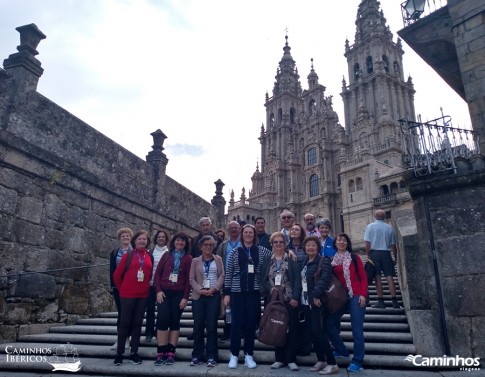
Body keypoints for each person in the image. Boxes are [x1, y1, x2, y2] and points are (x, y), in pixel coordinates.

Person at [223, 224, 271, 369]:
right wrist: (226, 293)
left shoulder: (262, 251)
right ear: (242, 235)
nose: (248, 234)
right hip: (237, 292)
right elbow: (229, 273)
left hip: (254, 293)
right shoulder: (235, 252)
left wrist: (289, 253)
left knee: (250, 324)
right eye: (246, 232)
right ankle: (234, 355)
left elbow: (276, 254)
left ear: (254, 235)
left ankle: (249, 354)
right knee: (236, 324)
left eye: (251, 232)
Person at [325, 233, 367, 373]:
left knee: (357, 330)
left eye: (344, 240)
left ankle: (357, 360)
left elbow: (363, 277)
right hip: (341, 298)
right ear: (335, 244)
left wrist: (363, 295)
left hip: (356, 296)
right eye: (339, 240)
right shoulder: (332, 260)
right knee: (328, 323)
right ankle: (341, 349)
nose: (341, 242)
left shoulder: (355, 258)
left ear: (347, 243)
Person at [260, 232, 301, 371]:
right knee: (275, 328)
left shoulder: (291, 259)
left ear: (285, 244)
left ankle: (290, 359)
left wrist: (295, 297)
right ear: (271, 244)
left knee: (291, 329)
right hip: (273, 301)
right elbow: (263, 279)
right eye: (275, 242)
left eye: (281, 242)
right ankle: (279, 359)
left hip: (289, 300)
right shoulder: (267, 259)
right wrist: (270, 289)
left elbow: (297, 280)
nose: (278, 244)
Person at [113, 230, 153, 366]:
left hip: (143, 295)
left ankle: (134, 352)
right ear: (134, 241)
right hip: (127, 295)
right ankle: (120, 353)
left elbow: (149, 275)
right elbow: (116, 275)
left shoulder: (149, 256)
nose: (142, 241)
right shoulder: (128, 256)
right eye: (140, 239)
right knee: (125, 323)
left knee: (137, 323)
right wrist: (122, 289)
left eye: (144, 239)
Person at [301, 236, 339, 375]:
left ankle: (332, 363)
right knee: (312, 332)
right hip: (306, 301)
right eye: (308, 245)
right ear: (305, 248)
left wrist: (315, 295)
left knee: (319, 332)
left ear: (318, 248)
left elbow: (324, 279)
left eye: (313, 245)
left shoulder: (324, 261)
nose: (310, 247)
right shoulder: (306, 262)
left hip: (317, 301)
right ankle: (321, 359)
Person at [153, 232, 193, 365]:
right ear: (174, 242)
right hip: (164, 292)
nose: (180, 243)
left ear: (186, 244)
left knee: (175, 321)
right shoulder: (166, 255)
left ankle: (171, 351)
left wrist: (185, 297)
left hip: (178, 293)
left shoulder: (188, 258)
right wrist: (158, 291)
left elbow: (189, 280)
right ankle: (161, 350)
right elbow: (157, 274)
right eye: (178, 240)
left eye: (183, 241)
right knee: (163, 320)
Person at [189, 235, 224, 367]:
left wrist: (214, 288)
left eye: (210, 245)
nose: (208, 247)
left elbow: (222, 275)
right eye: (206, 245)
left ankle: (211, 356)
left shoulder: (218, 259)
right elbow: (191, 279)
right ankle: (197, 355)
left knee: (212, 327)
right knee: (198, 327)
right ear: (201, 247)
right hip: (199, 296)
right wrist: (200, 290)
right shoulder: (195, 261)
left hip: (213, 296)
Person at [364, 209, 399, 309]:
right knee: (389, 277)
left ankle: (380, 301)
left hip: (374, 253)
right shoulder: (389, 228)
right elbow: (393, 245)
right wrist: (395, 257)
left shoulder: (370, 227)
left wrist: (368, 254)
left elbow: (367, 243)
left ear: (374, 216)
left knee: (377, 277)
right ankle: (394, 301)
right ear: (384, 217)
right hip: (386, 254)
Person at [216, 220, 241, 342]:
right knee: (227, 306)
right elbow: (217, 261)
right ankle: (227, 330)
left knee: (240, 306)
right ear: (228, 230)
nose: (233, 229)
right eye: (231, 228)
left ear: (239, 229)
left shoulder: (244, 243)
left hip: (242, 279)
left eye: (235, 227)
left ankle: (239, 331)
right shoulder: (223, 245)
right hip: (227, 279)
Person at [109, 227, 133, 351]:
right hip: (118, 287)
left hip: (131, 286)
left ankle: (128, 338)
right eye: (123, 236)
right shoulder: (114, 253)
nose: (125, 238)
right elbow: (112, 270)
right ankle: (120, 338)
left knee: (128, 313)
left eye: (127, 236)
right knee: (121, 313)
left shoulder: (134, 252)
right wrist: (113, 285)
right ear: (120, 238)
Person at [145, 230, 169, 342]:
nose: (161, 238)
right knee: (150, 309)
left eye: (163, 237)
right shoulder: (150, 252)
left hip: (163, 287)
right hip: (150, 285)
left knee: (161, 310)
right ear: (156, 238)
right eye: (159, 237)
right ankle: (149, 332)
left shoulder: (169, 253)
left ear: (166, 239)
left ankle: (158, 331)